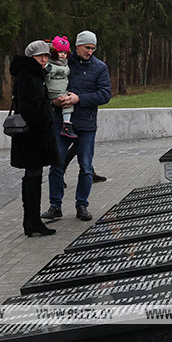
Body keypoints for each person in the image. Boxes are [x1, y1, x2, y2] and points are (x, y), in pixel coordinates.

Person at [42, 30, 111, 221]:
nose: (90, 51)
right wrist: (54, 101)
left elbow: (105, 94)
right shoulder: (62, 62)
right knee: (56, 164)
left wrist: (79, 98)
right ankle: (55, 205)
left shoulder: (100, 67)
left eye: (93, 48)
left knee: (86, 167)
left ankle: (82, 205)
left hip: (86, 124)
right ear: (77, 46)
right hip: (60, 123)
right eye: (87, 48)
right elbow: (47, 85)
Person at [9, 40, 62, 236]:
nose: (44, 58)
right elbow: (29, 107)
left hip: (33, 136)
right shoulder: (28, 75)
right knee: (32, 178)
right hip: (32, 137)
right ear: (31, 57)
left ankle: (32, 221)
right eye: (40, 56)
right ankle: (31, 222)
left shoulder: (33, 74)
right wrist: (44, 124)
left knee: (34, 177)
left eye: (46, 55)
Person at [45, 36, 77, 139]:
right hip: (53, 90)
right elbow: (46, 76)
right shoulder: (50, 64)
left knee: (68, 101)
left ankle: (66, 124)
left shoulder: (65, 64)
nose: (62, 55)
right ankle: (66, 125)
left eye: (65, 53)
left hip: (62, 90)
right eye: (60, 52)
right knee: (67, 103)